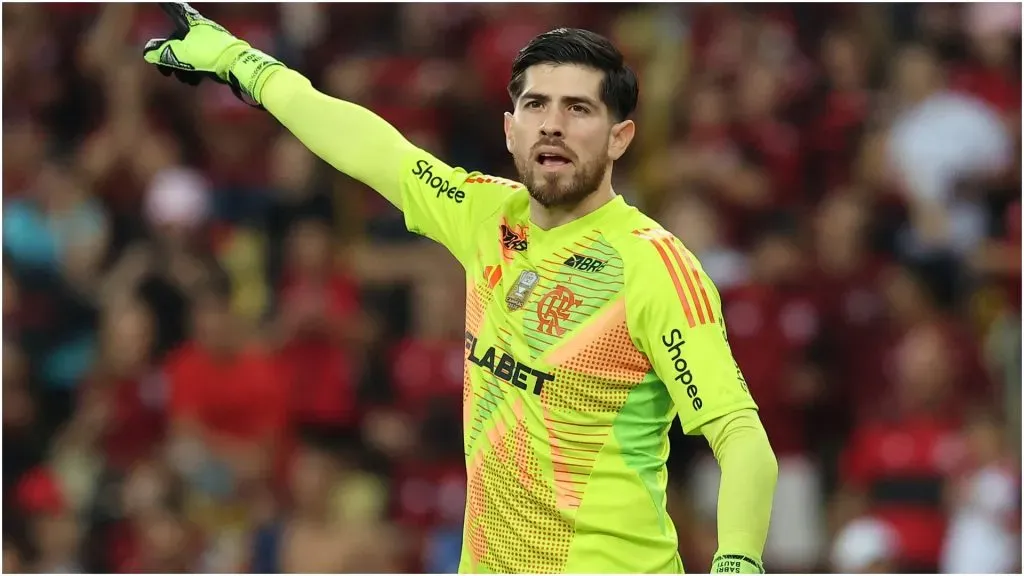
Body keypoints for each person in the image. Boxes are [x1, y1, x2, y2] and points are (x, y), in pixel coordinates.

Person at [142, 4, 778, 573]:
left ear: (620, 137)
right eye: (536, 105)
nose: (552, 125)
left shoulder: (654, 267)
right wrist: (242, 63)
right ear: (509, 128)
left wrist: (737, 565)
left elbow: (743, 440)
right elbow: (369, 147)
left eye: (578, 108)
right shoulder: (485, 215)